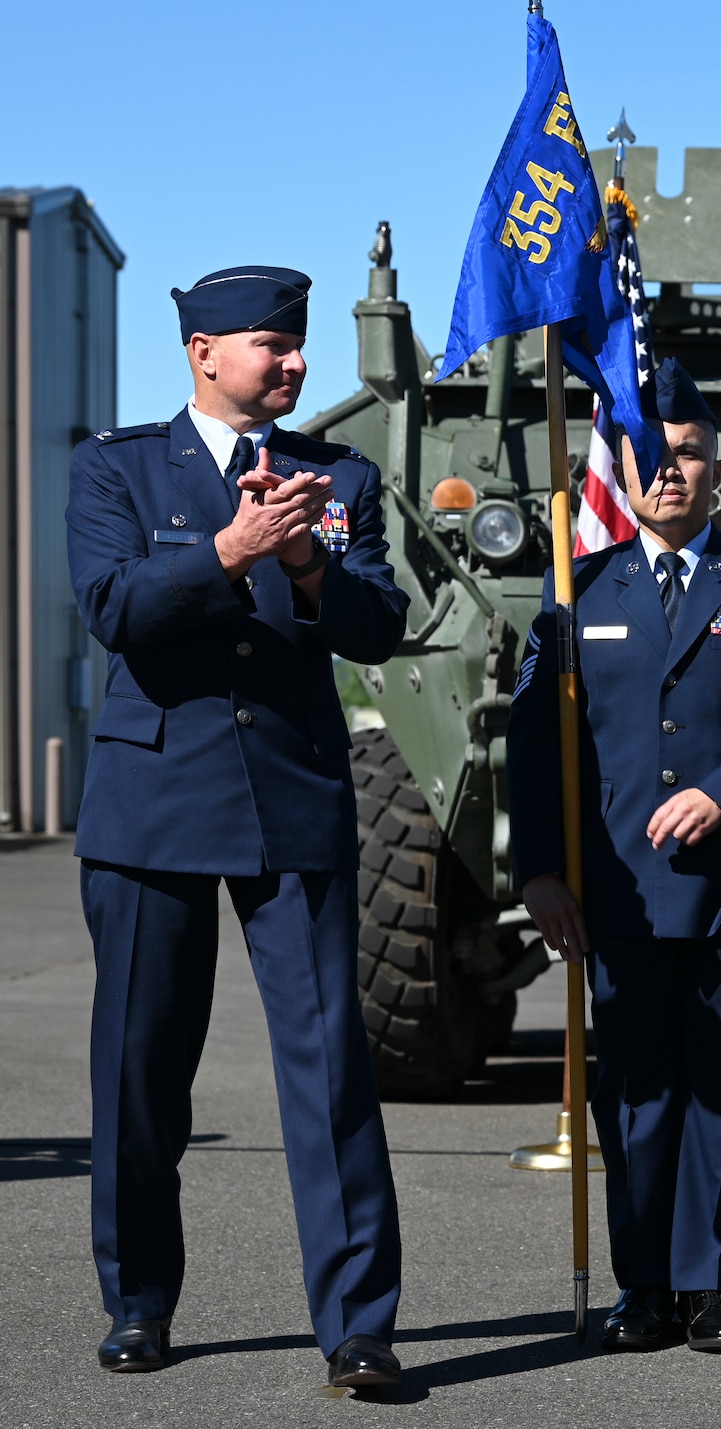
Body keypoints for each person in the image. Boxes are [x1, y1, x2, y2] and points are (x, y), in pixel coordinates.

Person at [65, 267, 410, 1386]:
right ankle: (139, 1300)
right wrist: (228, 552)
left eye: (298, 345)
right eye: (272, 344)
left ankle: (357, 1325)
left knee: (328, 1072)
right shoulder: (116, 466)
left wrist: (307, 561)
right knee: (137, 1069)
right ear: (204, 352)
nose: (295, 362)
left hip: (291, 798)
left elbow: (378, 627)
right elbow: (115, 609)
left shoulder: (339, 474)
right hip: (153, 801)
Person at [509, 359, 721, 1355]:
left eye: (690, 454)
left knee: (717, 1085)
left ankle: (709, 1285)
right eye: (651, 454)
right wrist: (538, 868)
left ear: (717, 468)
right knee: (631, 1090)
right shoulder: (579, 587)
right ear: (618, 466)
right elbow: (534, 738)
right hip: (614, 882)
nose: (670, 471)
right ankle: (641, 1286)